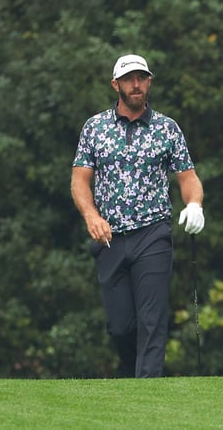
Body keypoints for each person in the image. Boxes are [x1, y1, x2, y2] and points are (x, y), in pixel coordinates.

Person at [71, 54, 205, 378]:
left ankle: (147, 391)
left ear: (149, 82)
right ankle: (134, 379)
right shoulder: (95, 128)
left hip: (153, 233)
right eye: (129, 79)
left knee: (152, 320)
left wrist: (194, 204)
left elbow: (188, 178)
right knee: (120, 327)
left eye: (142, 78)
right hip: (109, 236)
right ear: (115, 84)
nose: (136, 84)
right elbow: (79, 180)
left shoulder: (167, 128)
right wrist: (91, 216)